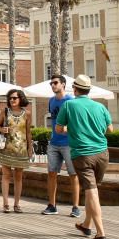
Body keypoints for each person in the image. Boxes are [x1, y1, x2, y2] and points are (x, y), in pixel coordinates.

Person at [56, 75, 113, 239]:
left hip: (82, 154)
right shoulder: (100, 106)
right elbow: (110, 129)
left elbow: (59, 129)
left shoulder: (69, 105)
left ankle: (101, 233)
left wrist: (72, 130)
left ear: (74, 89)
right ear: (89, 90)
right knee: (92, 190)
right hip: (103, 153)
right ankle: (86, 225)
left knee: (91, 191)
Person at [42, 75, 81, 217]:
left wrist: (67, 130)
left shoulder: (71, 101)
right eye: (51, 83)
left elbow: (77, 124)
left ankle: (76, 207)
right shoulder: (51, 101)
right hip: (54, 143)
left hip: (69, 144)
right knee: (51, 173)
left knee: (73, 174)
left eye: (55, 83)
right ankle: (52, 205)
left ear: (63, 84)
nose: (53, 85)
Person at [0, 89, 33, 213]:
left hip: (21, 150)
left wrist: (30, 148)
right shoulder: (4, 112)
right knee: (6, 176)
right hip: (6, 148)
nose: (12, 100)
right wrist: (1, 129)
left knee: (18, 177)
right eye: (10, 98)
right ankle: (5, 203)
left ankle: (17, 204)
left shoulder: (27, 113)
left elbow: (28, 132)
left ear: (20, 99)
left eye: (14, 98)